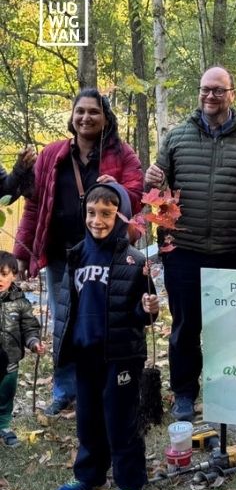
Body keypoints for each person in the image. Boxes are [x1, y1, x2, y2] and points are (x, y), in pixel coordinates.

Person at [145, 66, 236, 422]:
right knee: (186, 326)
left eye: (219, 90)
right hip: (185, 253)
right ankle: (185, 393)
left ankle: (231, 391)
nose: (210, 97)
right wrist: (152, 184)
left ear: (232, 93)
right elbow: (157, 195)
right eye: (205, 90)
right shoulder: (177, 138)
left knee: (234, 327)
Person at [15, 88, 144, 417]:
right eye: (80, 111)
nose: (86, 117)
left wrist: (113, 187)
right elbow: (35, 205)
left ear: (105, 117)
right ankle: (65, 389)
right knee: (64, 320)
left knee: (104, 318)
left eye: (94, 112)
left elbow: (137, 197)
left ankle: (104, 386)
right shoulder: (53, 155)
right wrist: (22, 249)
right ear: (72, 117)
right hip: (62, 254)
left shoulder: (121, 154)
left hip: (105, 254)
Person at [52, 182, 159, 490]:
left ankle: (129, 480)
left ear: (120, 216)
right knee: (88, 418)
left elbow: (142, 315)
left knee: (120, 418)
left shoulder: (133, 260)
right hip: (86, 352)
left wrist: (149, 308)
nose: (97, 220)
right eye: (92, 213)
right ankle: (90, 474)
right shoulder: (77, 255)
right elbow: (69, 306)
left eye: (107, 214)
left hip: (121, 356)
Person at [0, 251, 46, 446]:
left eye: (4, 274)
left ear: (14, 275)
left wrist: (34, 342)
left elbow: (29, 327)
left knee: (5, 395)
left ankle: (4, 425)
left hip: (9, 361)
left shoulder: (20, 302)